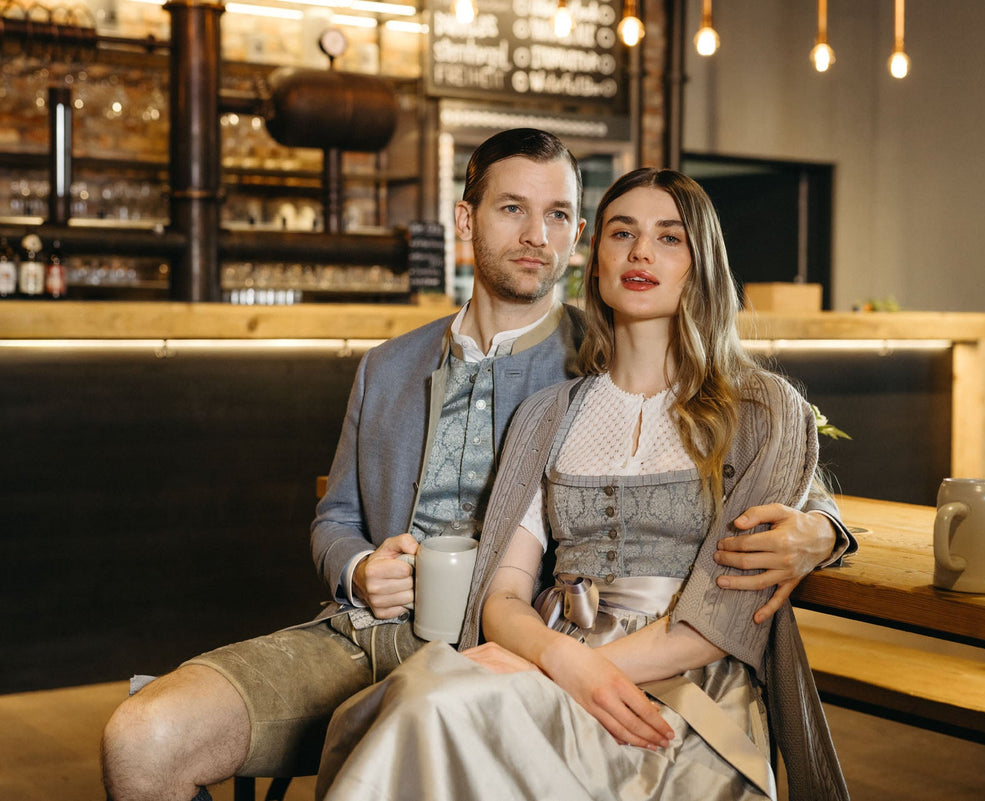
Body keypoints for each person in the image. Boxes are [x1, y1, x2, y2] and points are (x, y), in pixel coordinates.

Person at [101, 130, 853, 801]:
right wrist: (360, 566)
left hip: (494, 649)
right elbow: (335, 516)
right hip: (369, 633)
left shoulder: (610, 344)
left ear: (578, 240)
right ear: (466, 220)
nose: (537, 235)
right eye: (512, 210)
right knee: (141, 739)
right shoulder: (391, 366)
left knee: (424, 715)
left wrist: (822, 530)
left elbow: (778, 464)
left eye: (558, 214)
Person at [315, 167, 851, 801]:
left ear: (702, 263)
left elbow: (716, 624)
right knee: (408, 700)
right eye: (622, 233)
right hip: (551, 657)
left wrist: (558, 669)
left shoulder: (764, 410)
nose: (641, 252)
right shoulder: (550, 412)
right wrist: (556, 658)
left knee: (429, 704)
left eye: (670, 238)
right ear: (594, 262)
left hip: (685, 691)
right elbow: (504, 595)